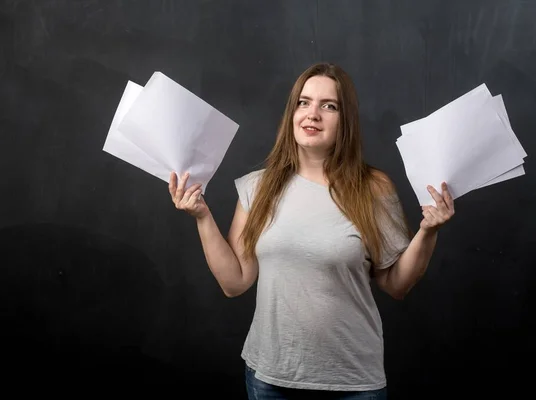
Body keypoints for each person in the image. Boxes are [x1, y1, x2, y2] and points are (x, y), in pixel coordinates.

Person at [168, 63, 455, 399]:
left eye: (328, 106)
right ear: (292, 114)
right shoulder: (257, 188)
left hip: (353, 382)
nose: (312, 114)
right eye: (303, 103)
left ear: (344, 120)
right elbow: (235, 282)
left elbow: (396, 284)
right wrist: (202, 217)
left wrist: (429, 231)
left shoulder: (373, 188)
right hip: (271, 379)